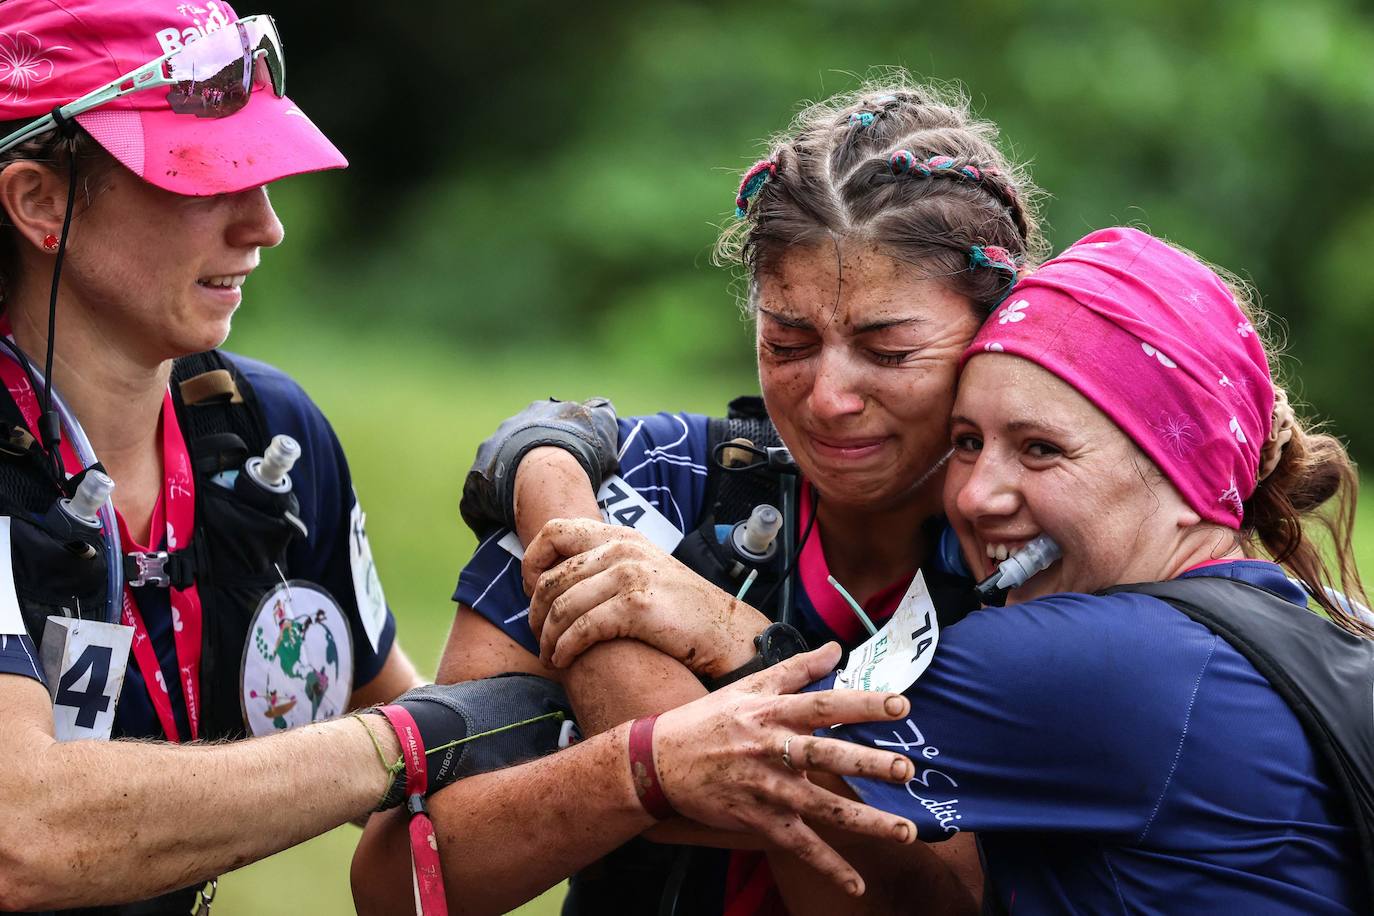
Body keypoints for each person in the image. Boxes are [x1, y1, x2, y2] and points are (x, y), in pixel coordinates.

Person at [0, 5, 933, 913]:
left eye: (265, 175)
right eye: (203, 178)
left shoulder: (259, 434)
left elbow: (459, 756)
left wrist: (556, 507)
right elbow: (21, 838)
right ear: (40, 200)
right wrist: (421, 743)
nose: (264, 225)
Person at [527, 227, 1373, 912]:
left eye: (1041, 449)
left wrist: (553, 485)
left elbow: (705, 781)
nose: (976, 496)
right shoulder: (1317, 620)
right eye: (968, 443)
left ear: (1188, 479)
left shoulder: (1090, 661)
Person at [355, 78, 1046, 913]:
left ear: (997, 330)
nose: (828, 396)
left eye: (889, 352)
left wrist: (736, 647)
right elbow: (397, 880)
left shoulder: (1044, 560)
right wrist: (646, 770)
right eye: (788, 341)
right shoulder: (656, 483)